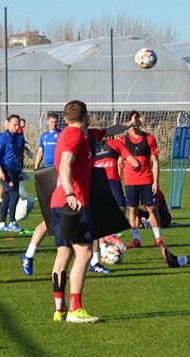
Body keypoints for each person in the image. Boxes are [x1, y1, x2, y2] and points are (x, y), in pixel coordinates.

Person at [49, 100, 134, 323]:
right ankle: (76, 310)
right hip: (73, 202)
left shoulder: (86, 135)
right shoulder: (74, 136)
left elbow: (109, 131)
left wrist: (128, 124)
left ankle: (60, 309)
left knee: (64, 253)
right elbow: (66, 165)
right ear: (87, 117)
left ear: (65, 118)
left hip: (59, 202)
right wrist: (70, 194)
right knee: (85, 253)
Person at [88, 137, 140, 273]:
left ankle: (100, 255)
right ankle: (108, 238)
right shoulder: (114, 143)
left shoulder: (92, 145)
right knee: (120, 210)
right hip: (110, 181)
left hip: (95, 182)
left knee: (98, 219)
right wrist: (137, 164)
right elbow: (131, 159)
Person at [21, 112, 62, 276]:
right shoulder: (44, 136)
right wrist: (36, 167)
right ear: (47, 122)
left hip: (59, 173)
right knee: (51, 219)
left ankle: (92, 259)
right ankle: (28, 255)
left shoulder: (62, 134)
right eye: (51, 122)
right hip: (49, 173)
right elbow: (40, 151)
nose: (53, 124)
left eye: (55, 122)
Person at [119, 111, 164, 249]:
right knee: (133, 210)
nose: (135, 123)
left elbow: (155, 161)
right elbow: (120, 162)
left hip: (146, 180)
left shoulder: (149, 138)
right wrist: (117, 180)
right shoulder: (123, 140)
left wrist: (155, 182)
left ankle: (158, 238)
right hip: (130, 182)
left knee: (152, 208)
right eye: (132, 120)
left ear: (140, 121)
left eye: (137, 119)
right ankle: (136, 239)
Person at [0, 114, 25, 232]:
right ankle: (12, 222)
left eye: (18, 125)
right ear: (8, 124)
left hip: (15, 170)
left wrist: (20, 170)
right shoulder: (2, 137)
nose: (17, 127)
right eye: (14, 125)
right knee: (14, 195)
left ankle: (1, 224)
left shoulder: (20, 137)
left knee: (6, 196)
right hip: (6, 170)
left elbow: (20, 154)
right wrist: (0, 170)